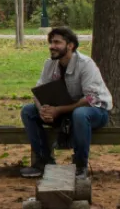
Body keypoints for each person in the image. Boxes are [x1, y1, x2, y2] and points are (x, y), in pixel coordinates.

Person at [19, 27, 112, 180]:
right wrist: (43, 110)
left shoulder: (85, 64)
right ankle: (43, 162)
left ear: (70, 45)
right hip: (65, 111)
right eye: (51, 42)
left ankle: (80, 166)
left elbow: (90, 99)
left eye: (57, 42)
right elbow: (37, 92)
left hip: (95, 111)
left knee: (80, 114)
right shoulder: (50, 64)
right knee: (28, 111)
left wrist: (58, 110)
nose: (52, 46)